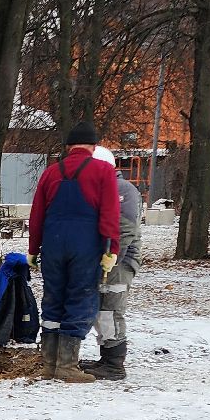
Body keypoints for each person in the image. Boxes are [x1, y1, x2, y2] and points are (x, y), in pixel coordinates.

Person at [27, 120, 121, 383]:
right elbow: (110, 214)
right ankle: (67, 366)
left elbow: (36, 215)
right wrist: (111, 249)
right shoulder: (102, 171)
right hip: (85, 245)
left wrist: (33, 250)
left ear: (68, 147)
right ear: (93, 146)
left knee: (53, 298)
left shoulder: (51, 172)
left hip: (53, 244)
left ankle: (49, 364)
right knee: (80, 298)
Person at [83, 146, 143, 381]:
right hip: (110, 260)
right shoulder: (103, 188)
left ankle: (113, 363)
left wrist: (109, 256)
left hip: (118, 263)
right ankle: (107, 358)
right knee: (102, 310)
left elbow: (124, 229)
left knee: (110, 310)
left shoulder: (122, 190)